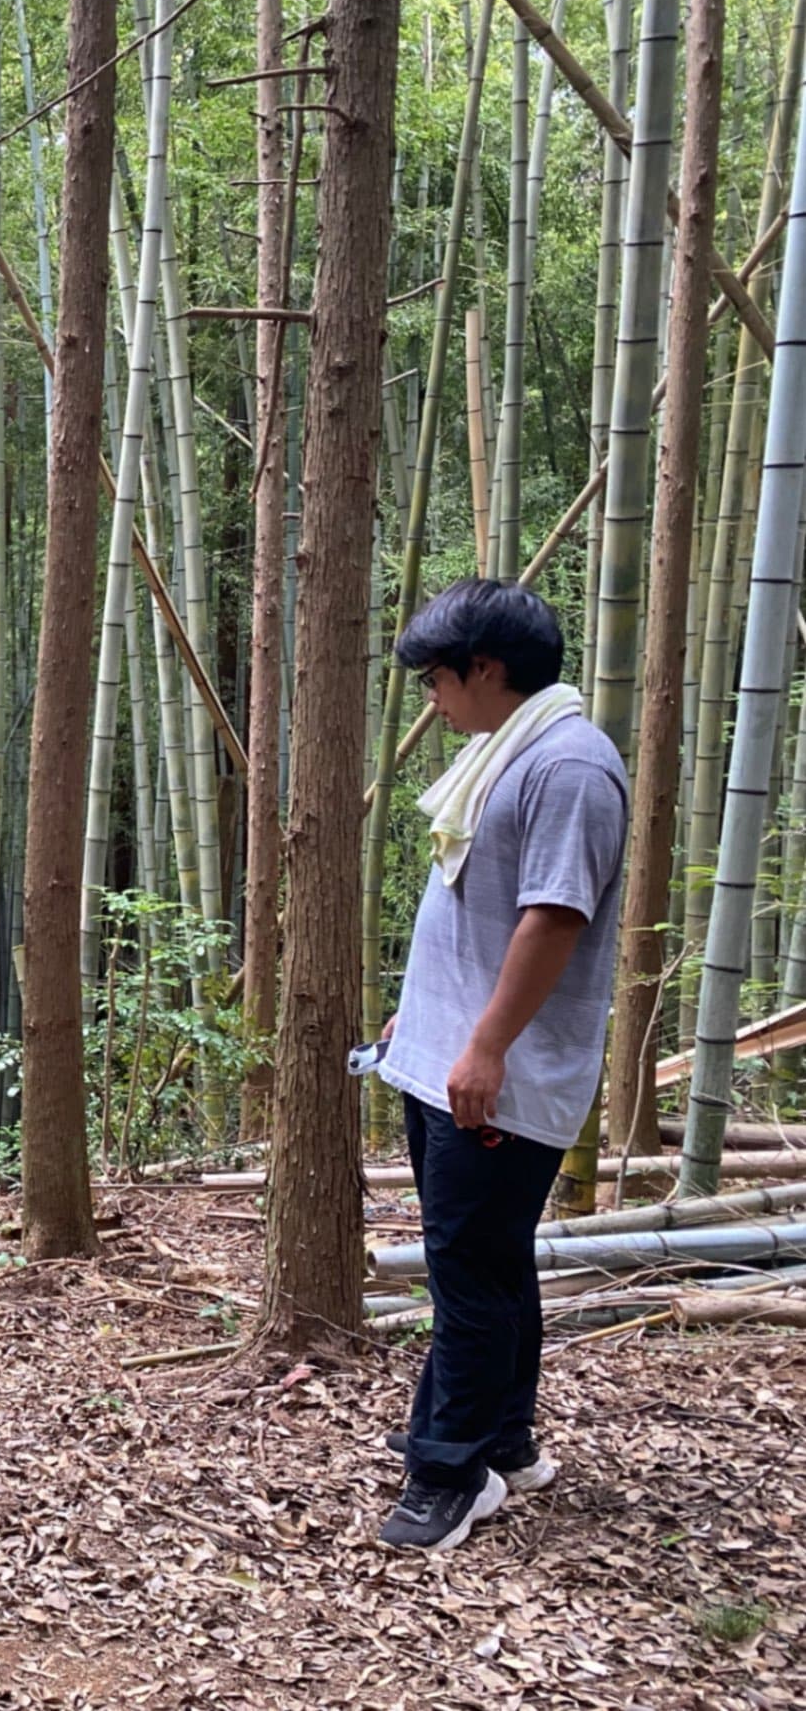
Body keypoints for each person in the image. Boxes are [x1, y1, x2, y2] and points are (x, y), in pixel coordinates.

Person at [373, 578, 628, 1552]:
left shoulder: (566, 767)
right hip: (447, 1055)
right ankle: (508, 1443)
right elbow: (475, 912)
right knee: (491, 1262)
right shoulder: (503, 753)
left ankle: (450, 1472)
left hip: (497, 1076)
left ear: (486, 669)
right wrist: (427, 1015)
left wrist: (483, 1045)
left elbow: (552, 917)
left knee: (465, 1277)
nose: (430, 698)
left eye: (436, 678)